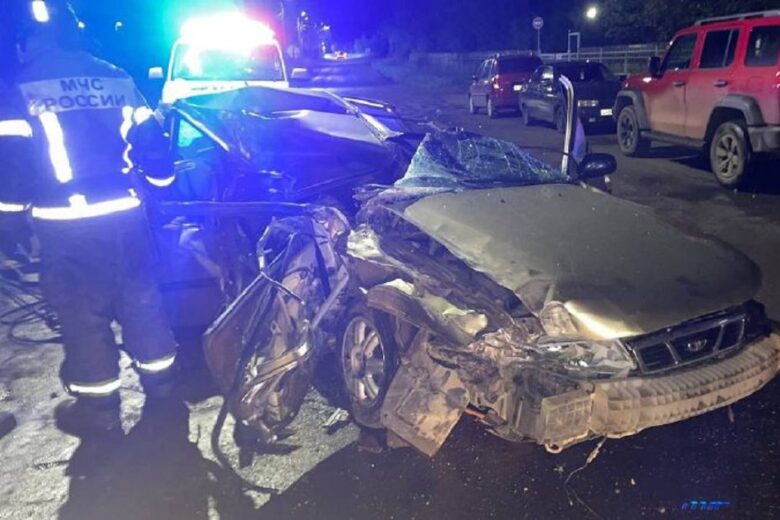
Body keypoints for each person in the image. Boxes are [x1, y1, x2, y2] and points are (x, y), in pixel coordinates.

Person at [7, 0, 178, 436]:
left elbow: (12, 168)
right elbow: (153, 145)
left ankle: (100, 412)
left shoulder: (18, 85)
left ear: (26, 40)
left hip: (64, 225)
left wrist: (8, 226)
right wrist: (160, 187)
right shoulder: (115, 76)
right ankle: (162, 390)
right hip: (125, 216)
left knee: (83, 316)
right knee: (142, 301)